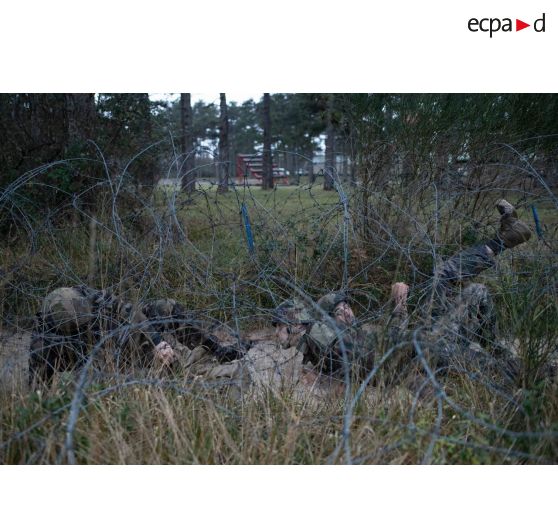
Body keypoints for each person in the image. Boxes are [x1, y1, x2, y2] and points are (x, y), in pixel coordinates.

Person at [272, 199, 532, 380]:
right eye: (342, 310)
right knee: (470, 290)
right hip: (429, 348)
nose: (348, 312)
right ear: (295, 324)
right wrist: (399, 307)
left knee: (449, 281)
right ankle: (503, 242)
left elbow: (383, 347)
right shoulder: (325, 339)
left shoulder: (330, 338)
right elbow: (388, 355)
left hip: (421, 343)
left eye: (346, 307)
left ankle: (504, 240)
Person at [28, 287, 248, 385]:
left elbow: (128, 311)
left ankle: (219, 350)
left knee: (166, 307)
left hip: (126, 337)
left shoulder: (88, 297)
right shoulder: (43, 342)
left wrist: (156, 342)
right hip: (100, 366)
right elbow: (38, 387)